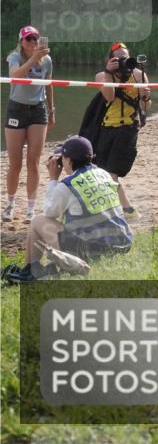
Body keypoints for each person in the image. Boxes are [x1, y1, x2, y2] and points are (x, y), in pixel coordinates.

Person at [4, 135, 132, 283]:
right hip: (122, 244)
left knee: (38, 221)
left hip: (95, 251)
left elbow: (50, 213)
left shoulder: (68, 185)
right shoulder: (104, 174)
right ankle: (32, 269)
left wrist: (53, 180)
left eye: (62, 158)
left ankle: (29, 270)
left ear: (69, 161)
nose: (61, 163)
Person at [4, 26, 55, 223]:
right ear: (21, 42)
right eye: (28, 39)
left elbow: (49, 85)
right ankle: (10, 204)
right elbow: (14, 76)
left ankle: (31, 208)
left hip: (37, 110)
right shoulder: (14, 57)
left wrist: (52, 111)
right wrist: (33, 60)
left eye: (35, 39)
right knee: (15, 163)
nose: (33, 42)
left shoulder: (47, 60)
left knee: (33, 162)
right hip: (16, 108)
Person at [94, 43, 149, 218]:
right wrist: (110, 73)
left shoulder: (139, 75)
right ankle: (120, 209)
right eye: (117, 57)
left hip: (128, 127)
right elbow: (109, 97)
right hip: (106, 127)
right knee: (102, 173)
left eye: (124, 56)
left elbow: (146, 107)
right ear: (109, 59)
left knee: (111, 174)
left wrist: (146, 97)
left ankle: (126, 209)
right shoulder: (101, 76)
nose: (122, 60)